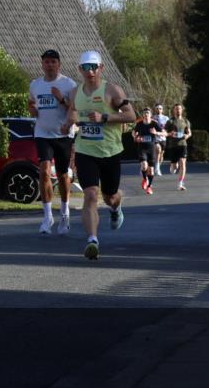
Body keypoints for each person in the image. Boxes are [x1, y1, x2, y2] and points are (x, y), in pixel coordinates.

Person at [62, 51, 135, 261]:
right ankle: (92, 240)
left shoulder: (112, 90)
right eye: (86, 68)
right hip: (86, 151)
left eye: (94, 67)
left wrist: (105, 117)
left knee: (109, 196)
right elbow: (73, 111)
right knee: (91, 195)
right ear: (80, 70)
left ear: (101, 68)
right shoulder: (76, 92)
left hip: (110, 151)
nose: (90, 72)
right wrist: (69, 122)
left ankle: (116, 207)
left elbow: (130, 115)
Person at [28, 48, 78, 235]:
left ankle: (64, 212)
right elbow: (33, 105)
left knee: (64, 175)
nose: (49, 65)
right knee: (44, 172)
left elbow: (74, 110)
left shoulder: (69, 84)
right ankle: (47, 216)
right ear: (42, 64)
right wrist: (32, 109)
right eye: (46, 62)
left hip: (63, 135)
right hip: (43, 133)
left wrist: (61, 99)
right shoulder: (35, 84)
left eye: (53, 62)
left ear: (59, 64)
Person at [133, 108, 163, 195]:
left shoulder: (154, 124)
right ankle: (144, 179)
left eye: (148, 113)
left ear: (150, 114)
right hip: (142, 149)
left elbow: (164, 133)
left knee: (151, 170)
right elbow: (134, 133)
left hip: (151, 149)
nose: (146, 114)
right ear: (143, 115)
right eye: (144, 113)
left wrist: (156, 133)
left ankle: (149, 187)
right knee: (144, 166)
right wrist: (135, 137)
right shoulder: (139, 124)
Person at [165, 103, 192, 191]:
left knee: (183, 162)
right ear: (174, 110)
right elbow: (164, 132)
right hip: (173, 146)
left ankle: (180, 183)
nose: (178, 110)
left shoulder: (185, 121)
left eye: (179, 109)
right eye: (176, 109)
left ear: (182, 110)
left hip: (183, 144)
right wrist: (170, 134)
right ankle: (172, 166)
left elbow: (189, 133)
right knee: (174, 167)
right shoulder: (170, 121)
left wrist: (187, 136)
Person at [152, 103, 170, 178]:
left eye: (160, 108)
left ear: (162, 110)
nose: (158, 110)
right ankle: (157, 169)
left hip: (163, 138)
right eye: (157, 108)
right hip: (155, 138)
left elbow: (168, 128)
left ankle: (157, 166)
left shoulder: (166, 118)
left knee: (161, 154)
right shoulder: (152, 118)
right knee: (158, 150)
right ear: (155, 109)